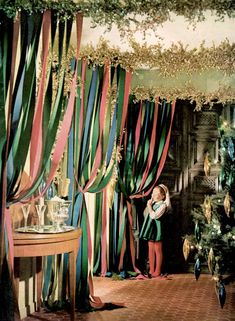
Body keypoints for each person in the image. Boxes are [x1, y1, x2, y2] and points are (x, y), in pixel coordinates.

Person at [139, 184, 171, 278]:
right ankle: (151, 269)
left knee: (158, 250)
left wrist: (149, 206)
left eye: (156, 193)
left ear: (163, 196)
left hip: (157, 231)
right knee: (151, 250)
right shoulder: (152, 204)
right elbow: (146, 214)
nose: (153, 195)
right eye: (153, 192)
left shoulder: (163, 205)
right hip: (150, 229)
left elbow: (154, 216)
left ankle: (157, 270)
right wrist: (149, 205)